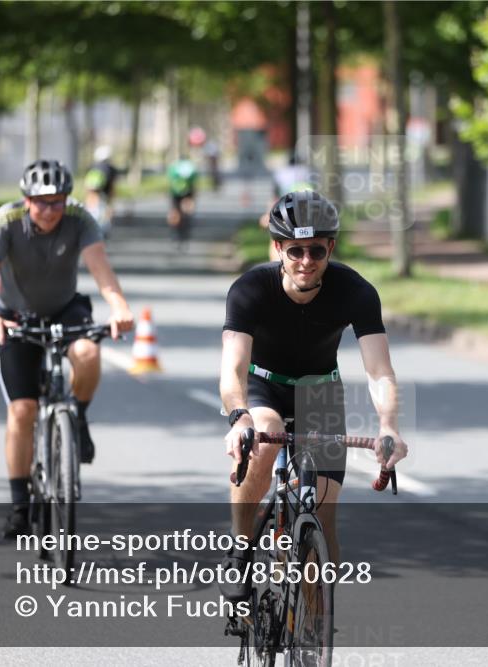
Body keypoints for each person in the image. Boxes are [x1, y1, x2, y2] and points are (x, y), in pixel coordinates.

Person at [219, 190, 409, 600]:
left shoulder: (355, 291)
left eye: (317, 251)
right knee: (265, 436)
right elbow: (233, 368)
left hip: (319, 391)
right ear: (278, 248)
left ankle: (313, 633)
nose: (306, 261)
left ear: (331, 248)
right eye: (296, 250)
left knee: (324, 518)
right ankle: (239, 549)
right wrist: (240, 418)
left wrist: (389, 426)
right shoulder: (250, 289)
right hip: (263, 383)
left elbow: (379, 371)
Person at [0, 160, 135, 538]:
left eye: (57, 202)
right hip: (15, 316)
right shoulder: (6, 220)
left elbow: (100, 268)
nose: (49, 210)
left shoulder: (80, 219)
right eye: (41, 203)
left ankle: (77, 417)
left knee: (89, 354)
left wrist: (120, 308)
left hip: (66, 307)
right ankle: (19, 507)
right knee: (22, 409)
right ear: (26, 200)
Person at [84, 145, 118, 236]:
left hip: (92, 196)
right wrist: (111, 202)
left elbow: (87, 185)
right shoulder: (111, 169)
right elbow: (112, 186)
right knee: (104, 216)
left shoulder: (91, 167)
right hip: (104, 195)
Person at [166, 156, 198, 248]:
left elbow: (170, 178)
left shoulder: (174, 167)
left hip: (175, 193)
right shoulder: (190, 167)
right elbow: (194, 180)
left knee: (175, 212)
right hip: (188, 192)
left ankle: (174, 231)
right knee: (187, 212)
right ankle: (186, 227)